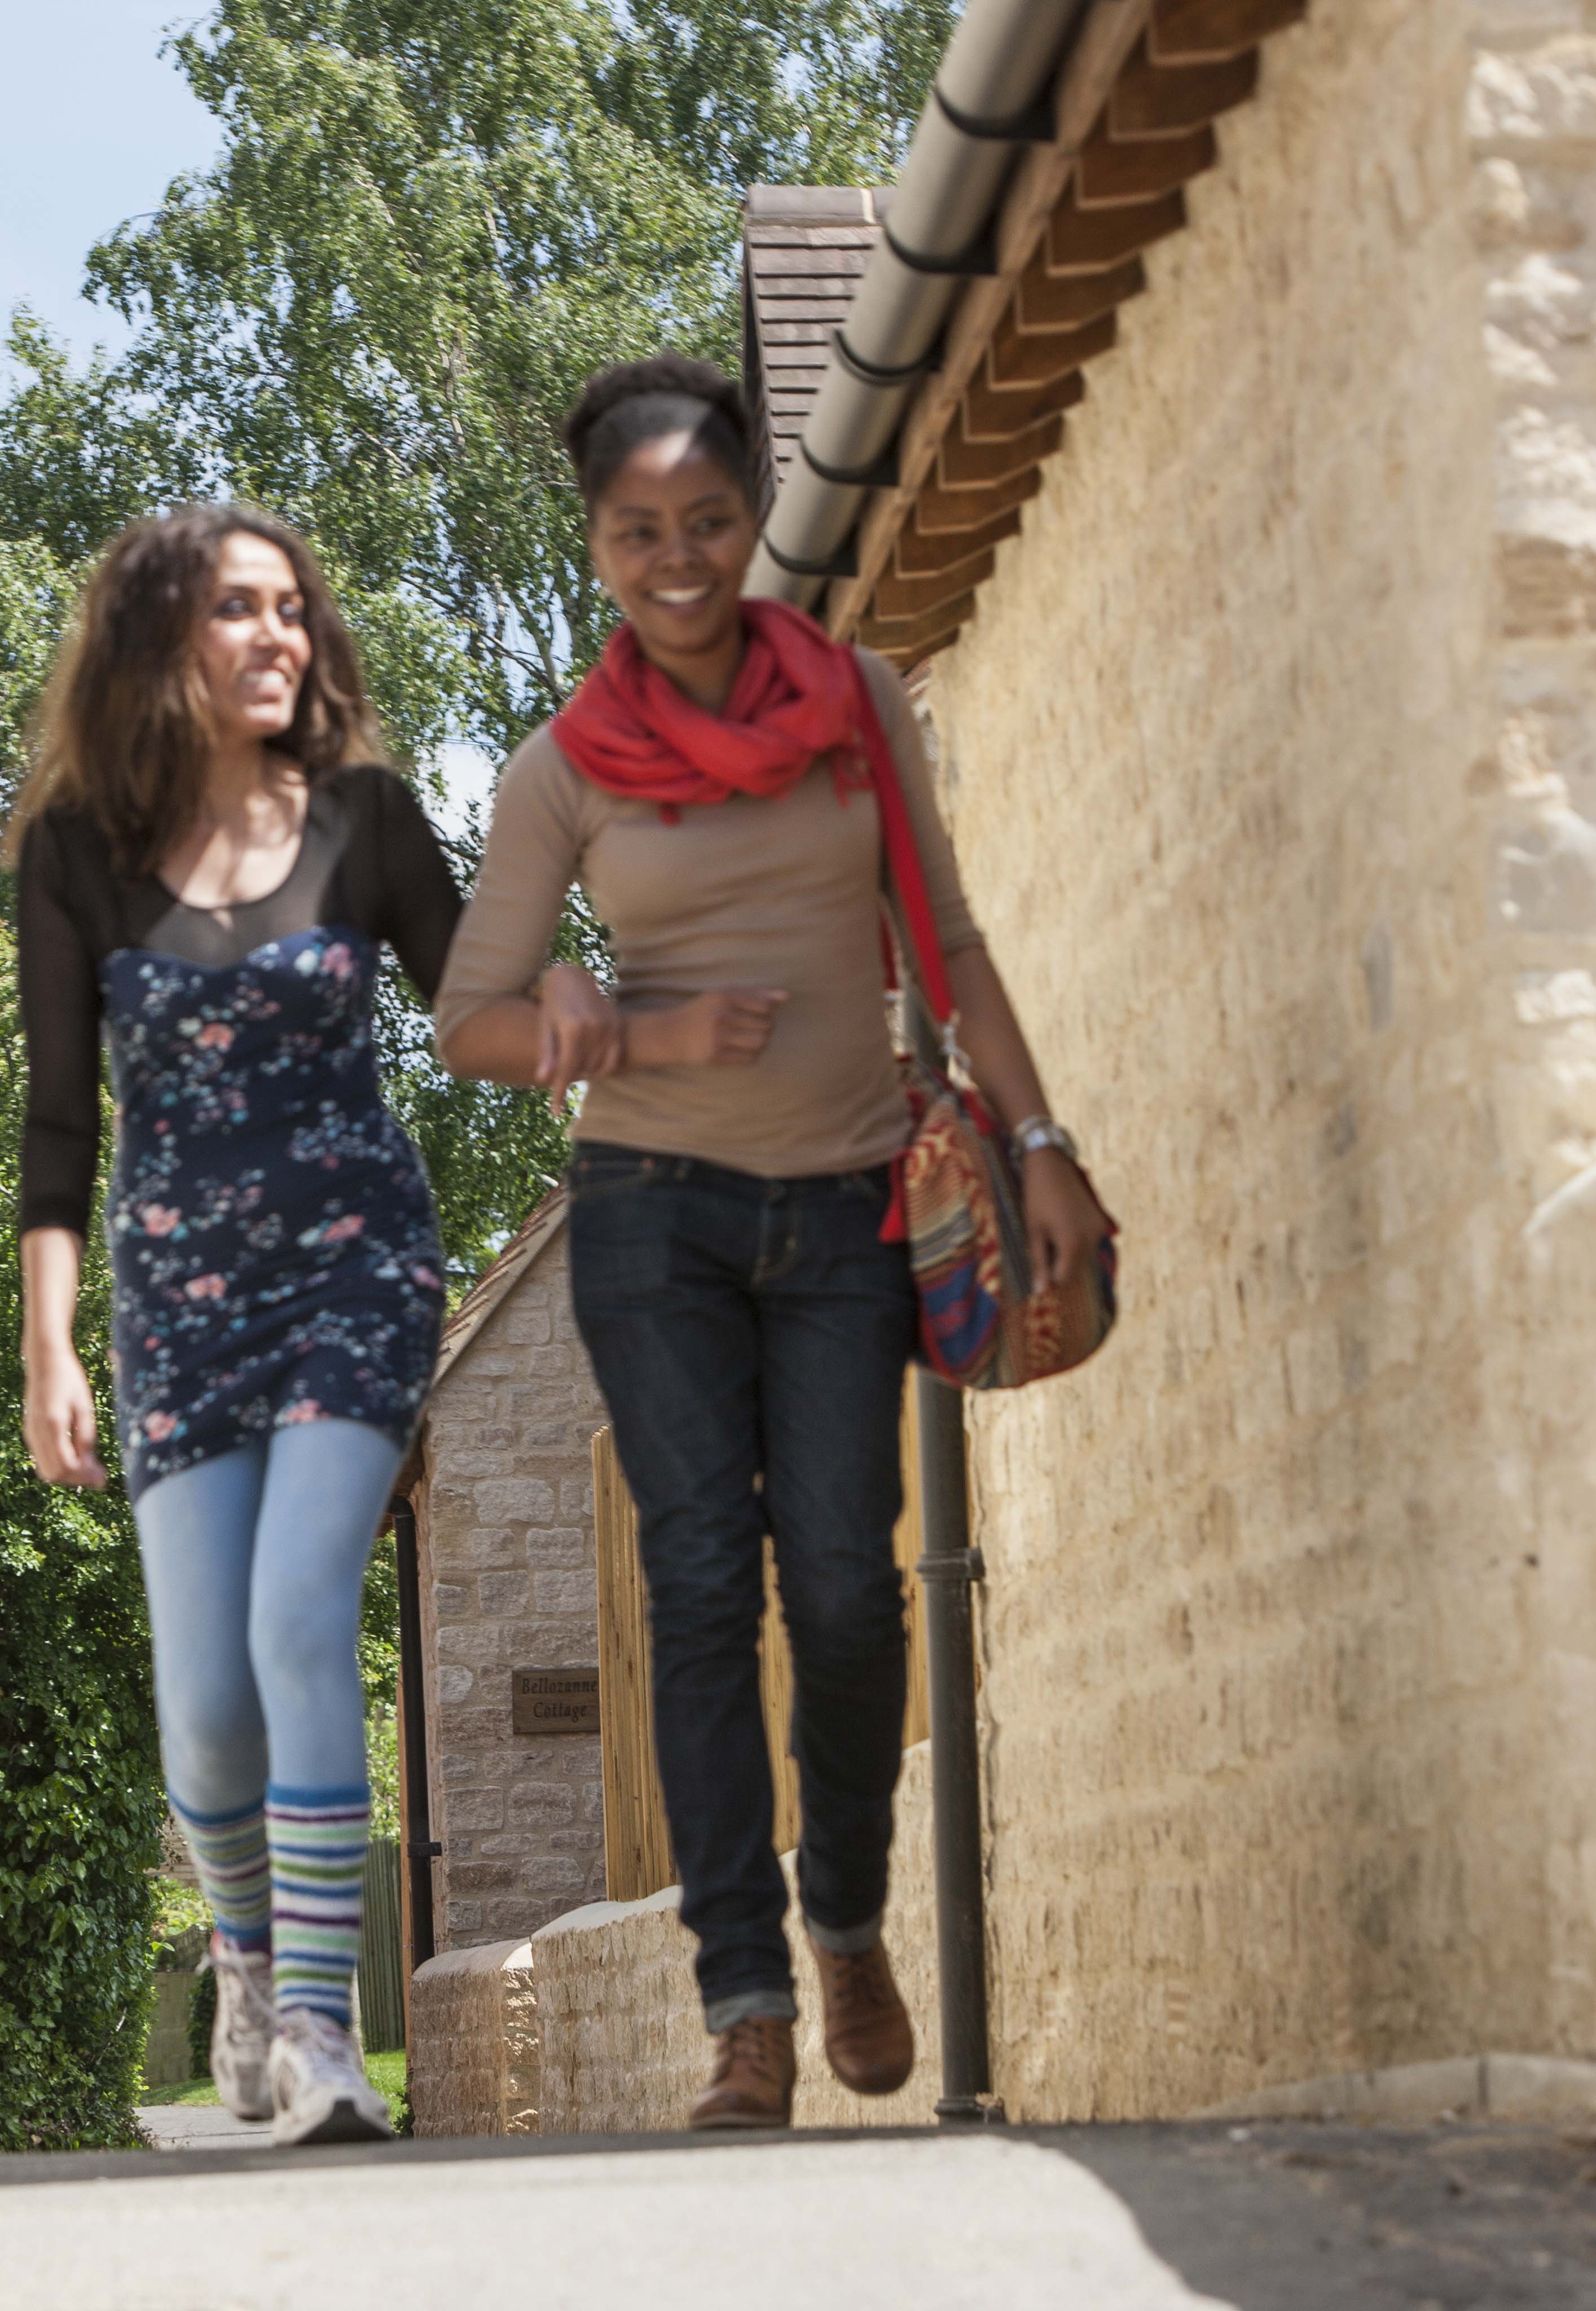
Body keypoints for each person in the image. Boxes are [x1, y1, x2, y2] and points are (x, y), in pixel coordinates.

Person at [434, 357, 1114, 2129]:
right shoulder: (562, 771)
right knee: (698, 1588)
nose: (676, 557)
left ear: (753, 520)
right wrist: (617, 1021)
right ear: (596, 544)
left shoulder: (856, 703)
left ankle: (848, 1921)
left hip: (845, 1202)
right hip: (650, 1214)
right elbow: (470, 1022)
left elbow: (949, 939)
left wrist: (1039, 1140)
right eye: (636, 530)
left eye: (708, 520)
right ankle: (743, 2003)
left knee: (847, 1584)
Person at [13, 505, 582, 2143]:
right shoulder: (75, 851)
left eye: (292, 609)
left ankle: (324, 2032)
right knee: (206, 1703)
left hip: (356, 1270)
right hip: (179, 1308)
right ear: (157, 641)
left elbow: (473, 1011)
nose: (279, 636)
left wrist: (577, 1016)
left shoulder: (364, 819)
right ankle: (250, 1967)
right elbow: (61, 1125)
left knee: (300, 1619)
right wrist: (50, 1346)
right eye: (237, 610)